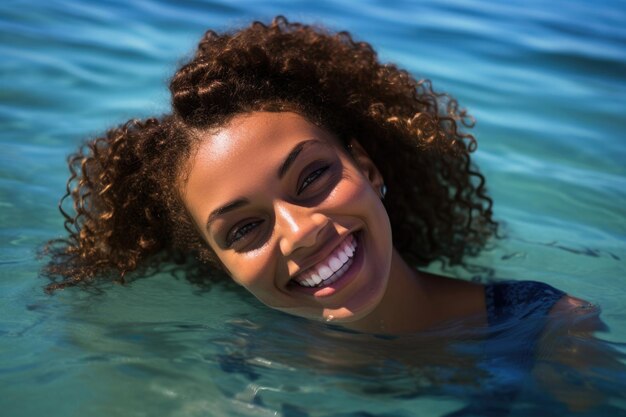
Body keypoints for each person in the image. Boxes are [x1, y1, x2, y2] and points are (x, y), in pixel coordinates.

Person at [44, 16, 592, 335]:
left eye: (310, 177)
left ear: (368, 168)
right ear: (222, 267)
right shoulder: (248, 352)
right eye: (243, 230)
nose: (300, 230)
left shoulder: (549, 331)